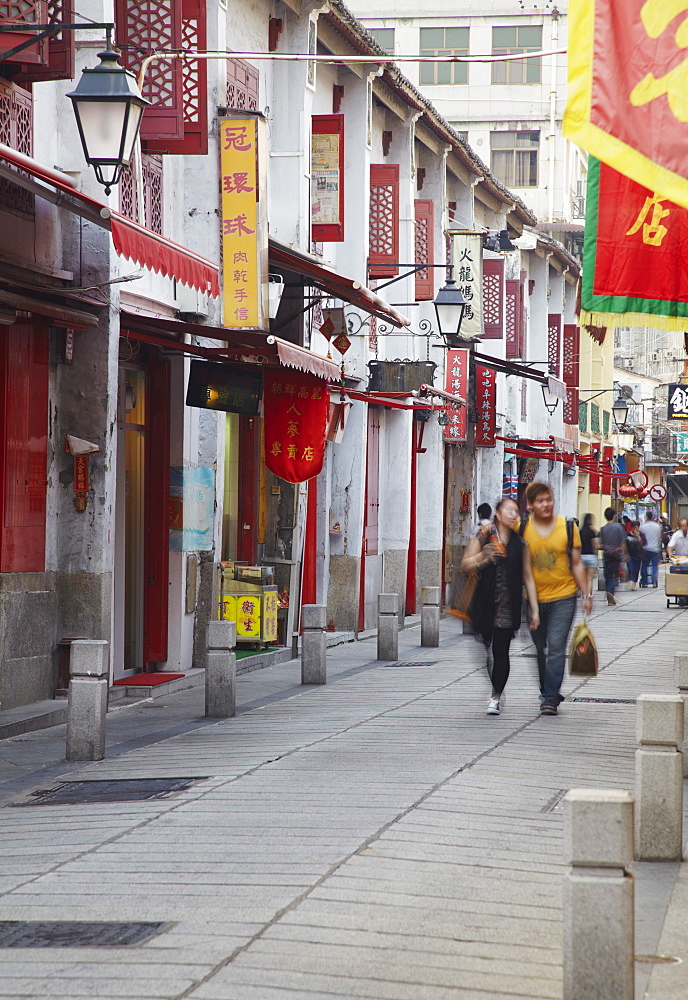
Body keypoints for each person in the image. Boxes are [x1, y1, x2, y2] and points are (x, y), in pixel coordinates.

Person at [461, 498, 540, 716]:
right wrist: (485, 557)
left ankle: (496, 695)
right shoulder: (484, 535)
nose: (514, 514)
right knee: (487, 649)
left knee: (501, 651)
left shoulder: (521, 544)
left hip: (508, 605)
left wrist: (534, 608)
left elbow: (528, 577)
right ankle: (495, 688)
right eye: (509, 510)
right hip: (485, 604)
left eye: (516, 511)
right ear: (497, 513)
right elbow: (465, 565)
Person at [520, 481, 592, 716]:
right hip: (532, 599)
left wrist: (586, 594)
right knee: (540, 648)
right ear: (530, 505)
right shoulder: (521, 528)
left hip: (564, 595)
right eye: (540, 501)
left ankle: (550, 697)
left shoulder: (568, 526)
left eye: (548, 499)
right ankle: (546, 689)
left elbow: (577, 563)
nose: (546, 504)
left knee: (556, 647)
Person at [599, 507, 628, 606]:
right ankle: (610, 594)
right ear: (614, 516)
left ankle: (609, 591)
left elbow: (601, 544)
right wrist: (623, 554)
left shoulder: (603, 529)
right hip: (616, 555)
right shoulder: (619, 527)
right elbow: (623, 543)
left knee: (607, 574)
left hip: (607, 555)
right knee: (614, 575)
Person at [579, 513, 599, 600]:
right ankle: (589, 595)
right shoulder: (592, 532)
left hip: (582, 556)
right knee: (589, 578)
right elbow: (595, 545)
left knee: (583, 578)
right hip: (591, 556)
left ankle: (584, 594)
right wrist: (596, 555)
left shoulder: (580, 532)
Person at [640, 510, 662, 587]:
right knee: (654, 565)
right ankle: (654, 580)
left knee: (644, 565)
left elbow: (640, 538)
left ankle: (645, 581)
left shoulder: (642, 527)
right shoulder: (657, 526)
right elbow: (659, 538)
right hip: (655, 549)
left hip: (645, 549)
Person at [626, 521, 644, 589]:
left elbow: (643, 544)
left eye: (637, 527)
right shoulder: (627, 534)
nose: (635, 529)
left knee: (636, 570)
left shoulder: (641, 535)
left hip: (638, 556)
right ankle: (631, 585)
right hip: (629, 555)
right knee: (631, 569)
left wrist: (638, 537)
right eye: (634, 527)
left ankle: (634, 585)